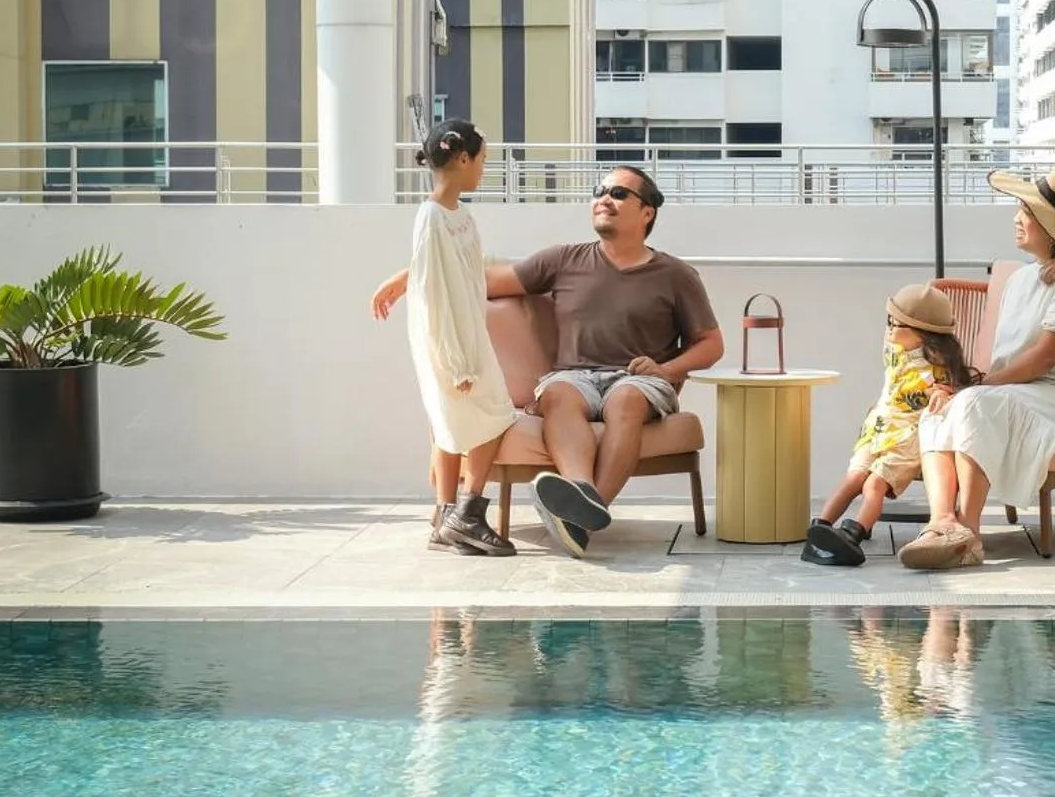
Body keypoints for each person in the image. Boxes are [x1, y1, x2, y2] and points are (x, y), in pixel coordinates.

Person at [373, 165, 722, 559]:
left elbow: (711, 344)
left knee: (625, 400)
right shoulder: (565, 259)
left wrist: (666, 370)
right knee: (556, 395)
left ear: (647, 213)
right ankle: (579, 494)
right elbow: (477, 279)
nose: (604, 199)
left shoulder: (675, 274)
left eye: (619, 194)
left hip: (638, 379)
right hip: (574, 378)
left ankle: (585, 514)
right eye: (599, 190)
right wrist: (412, 272)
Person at [900, 169, 1055, 571]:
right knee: (937, 410)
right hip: (1019, 392)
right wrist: (958, 388)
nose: (1016, 218)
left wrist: (975, 389)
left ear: (1052, 229)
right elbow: (1006, 364)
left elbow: (1044, 359)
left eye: (1025, 211)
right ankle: (942, 523)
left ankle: (971, 533)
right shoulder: (1021, 279)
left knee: (972, 404)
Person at [379, 119, 519, 558]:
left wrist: (401, 279)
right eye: (481, 160)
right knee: (490, 415)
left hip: (466, 331)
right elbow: (437, 293)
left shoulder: (458, 215)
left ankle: (447, 518)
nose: (483, 169)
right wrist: (457, 362)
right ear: (462, 159)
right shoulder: (433, 217)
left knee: (461, 422)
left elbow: (454, 267)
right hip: (452, 339)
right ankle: (467, 515)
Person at [803, 283, 976, 568]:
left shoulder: (937, 368)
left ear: (923, 335)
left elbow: (949, 390)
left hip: (907, 436)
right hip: (877, 428)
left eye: (897, 325)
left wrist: (942, 393)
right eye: (889, 322)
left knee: (874, 484)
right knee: (854, 477)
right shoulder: (893, 349)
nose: (890, 330)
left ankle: (853, 533)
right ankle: (820, 527)